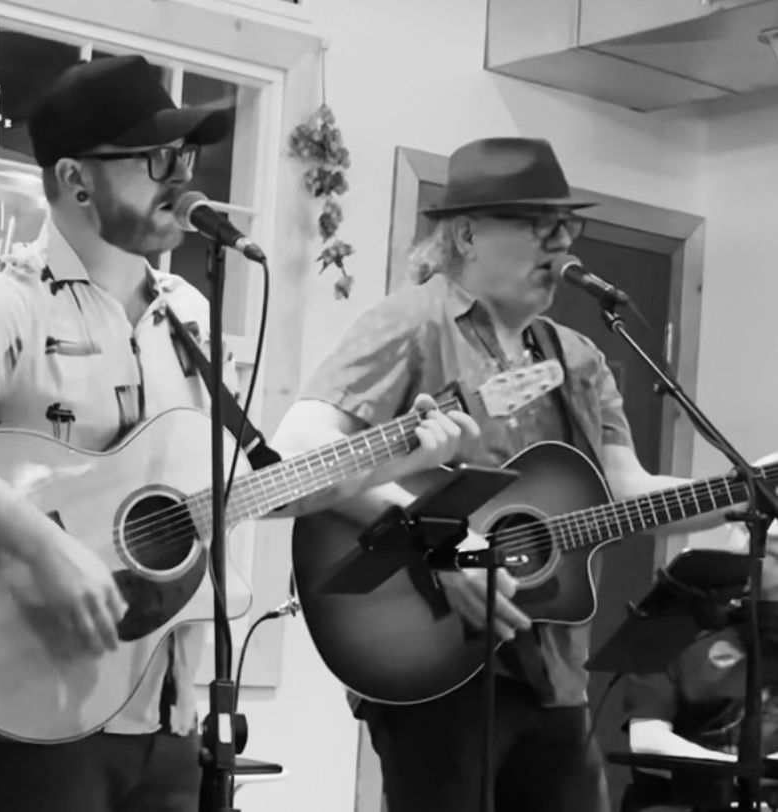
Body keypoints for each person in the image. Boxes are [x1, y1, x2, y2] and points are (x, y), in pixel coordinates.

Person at [0, 55, 468, 812]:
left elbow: (243, 492)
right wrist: (43, 548)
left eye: (186, 157)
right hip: (39, 708)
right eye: (156, 159)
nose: (183, 179)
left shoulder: (188, 317)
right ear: (76, 180)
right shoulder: (10, 301)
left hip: (170, 715)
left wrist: (395, 455)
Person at [272, 137, 735, 812]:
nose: (561, 243)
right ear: (466, 234)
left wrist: (741, 494)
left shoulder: (577, 358)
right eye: (536, 224)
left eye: (565, 225)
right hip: (431, 653)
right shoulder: (410, 323)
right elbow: (299, 448)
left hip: (554, 667)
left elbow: (624, 491)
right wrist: (441, 545)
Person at [622, 528, 778, 811]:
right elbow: (647, 740)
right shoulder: (672, 633)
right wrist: (738, 774)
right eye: (771, 551)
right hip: (682, 801)